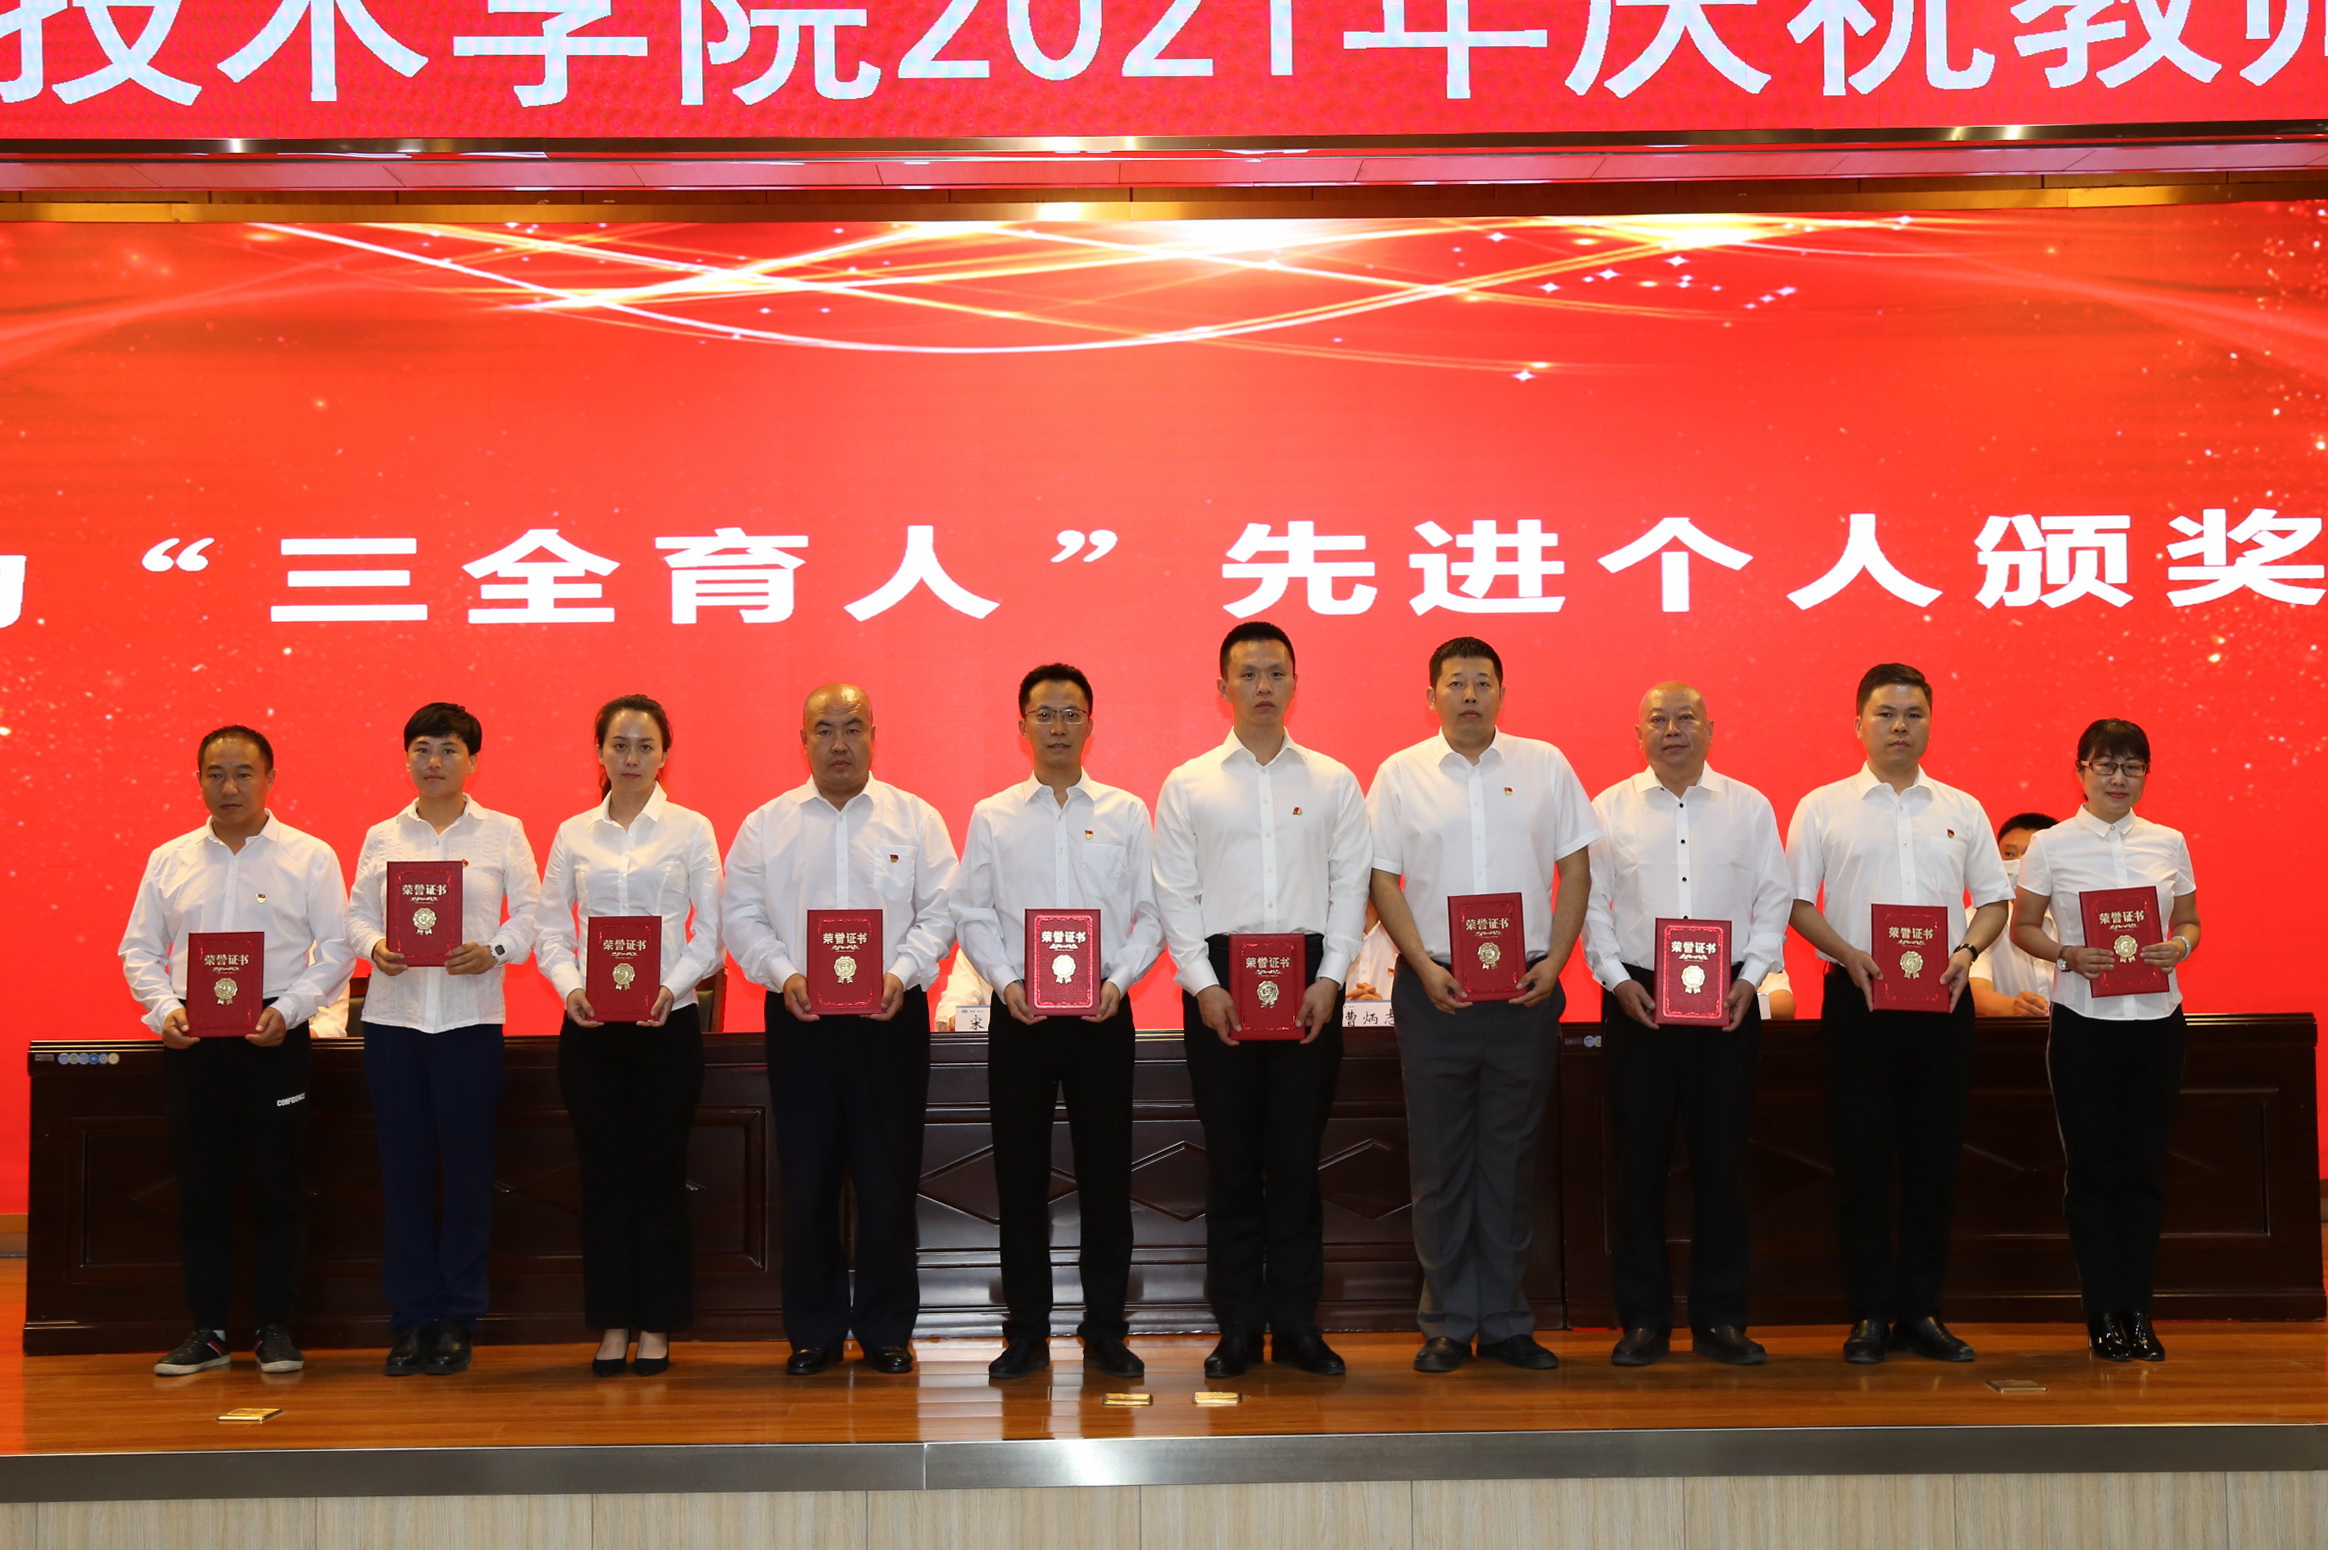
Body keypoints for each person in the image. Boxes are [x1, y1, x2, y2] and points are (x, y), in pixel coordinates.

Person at [1367, 636, 1595, 1374]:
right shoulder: (1400, 774)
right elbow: (1381, 879)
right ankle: (1444, 1321)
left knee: (1509, 1160)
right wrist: (1420, 965)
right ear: (1430, 695)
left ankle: (1503, 1322)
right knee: (1439, 1163)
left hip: (1525, 988)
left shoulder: (1544, 765)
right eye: (1455, 682)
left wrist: (1556, 960)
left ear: (1502, 691)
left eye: (1483, 682)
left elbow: (1575, 868)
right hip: (1435, 989)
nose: (1469, 694)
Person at [1153, 621, 1370, 1379]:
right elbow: (1174, 892)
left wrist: (1331, 977)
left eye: (1276, 672)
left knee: (1297, 1160)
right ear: (1223, 688)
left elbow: (1350, 885)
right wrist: (1202, 983)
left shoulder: (1334, 781)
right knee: (1234, 1163)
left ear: (1295, 683)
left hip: (1309, 978)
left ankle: (1299, 1324)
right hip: (1221, 983)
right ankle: (1239, 1325)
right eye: (1247, 674)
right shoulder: (1188, 783)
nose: (1263, 686)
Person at [722, 684, 958, 1377]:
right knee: (808, 1180)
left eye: (852, 728)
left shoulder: (915, 819)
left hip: (890, 1017)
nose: (838, 743)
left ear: (874, 735)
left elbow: (943, 910)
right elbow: (740, 915)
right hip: (801, 1018)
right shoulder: (767, 825)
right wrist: (783, 972)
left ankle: (887, 1329)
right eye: (823, 730)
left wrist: (903, 972)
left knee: (888, 1181)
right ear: (803, 741)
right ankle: (814, 1330)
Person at [1786, 663, 2011, 1365]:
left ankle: (1922, 1311)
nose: (1899, 727)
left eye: (1913, 714)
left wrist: (1967, 950)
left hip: (1943, 999)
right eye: (1885, 714)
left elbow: (1995, 901)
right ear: (1858, 723)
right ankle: (1868, 1314)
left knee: (1933, 1163)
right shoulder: (1822, 806)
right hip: (1859, 997)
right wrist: (1847, 953)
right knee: (1860, 1162)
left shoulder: (1961, 808)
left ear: (1930, 724)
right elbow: (1796, 902)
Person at [120, 725, 355, 1377]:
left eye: (243, 773)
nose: (229, 786)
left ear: (270, 779)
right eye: (215, 773)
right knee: (201, 1188)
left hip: (274, 1035)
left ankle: (275, 1327)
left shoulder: (310, 857)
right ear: (197, 780)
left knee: (278, 1186)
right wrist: (164, 1009)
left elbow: (337, 949)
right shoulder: (169, 859)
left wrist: (291, 1010)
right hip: (195, 1039)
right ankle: (209, 1330)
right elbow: (139, 949)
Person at [954, 664, 1165, 1381]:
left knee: (1107, 1176)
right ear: (1022, 727)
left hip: (1102, 1014)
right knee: (1020, 1179)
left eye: (1071, 713)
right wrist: (1006, 981)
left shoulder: (1127, 812)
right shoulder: (993, 815)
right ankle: (1027, 1332)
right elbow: (971, 912)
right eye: (1043, 714)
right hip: (1022, 1015)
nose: (1057, 727)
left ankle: (1105, 1329)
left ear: (1090, 725)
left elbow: (1151, 913)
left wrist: (1118, 980)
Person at [1583, 682, 1793, 1368]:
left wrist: (1751, 977)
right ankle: (1643, 1321)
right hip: (1639, 999)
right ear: (1638, 733)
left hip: (1726, 999)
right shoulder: (1608, 809)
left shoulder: (1748, 807)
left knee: (1723, 1165)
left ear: (1710, 727)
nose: (1672, 729)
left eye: (1685, 718)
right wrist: (1615, 980)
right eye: (1658, 719)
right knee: (1637, 1168)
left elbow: (1774, 897)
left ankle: (1721, 1319)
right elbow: (1591, 905)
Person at [346, 703, 540, 1378]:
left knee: (466, 1177)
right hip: (394, 1024)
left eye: (450, 749)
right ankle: (410, 1321)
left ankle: (458, 1318)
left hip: (468, 1024)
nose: (435, 761)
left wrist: (495, 949)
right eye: (423, 748)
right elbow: (355, 916)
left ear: (472, 761)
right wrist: (376, 945)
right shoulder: (382, 836)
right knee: (402, 1177)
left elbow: (534, 915)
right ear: (406, 758)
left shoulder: (503, 832)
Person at [535, 695, 722, 1378]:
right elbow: (549, 930)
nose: (632, 757)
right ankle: (613, 1323)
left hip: (667, 1025)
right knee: (604, 1177)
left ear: (665, 754)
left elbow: (712, 933)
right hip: (591, 1028)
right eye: (620, 745)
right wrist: (569, 986)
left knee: (659, 1176)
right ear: (600, 752)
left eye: (645, 746)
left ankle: (658, 1325)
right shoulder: (573, 834)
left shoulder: (691, 829)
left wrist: (671, 986)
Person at [2009, 721, 2199, 1363]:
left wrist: (2180, 946)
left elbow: (2190, 920)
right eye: (2105, 766)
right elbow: (2023, 928)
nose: (2119, 779)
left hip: (2158, 1021)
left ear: (2145, 774)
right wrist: (2067, 953)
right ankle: (2101, 1313)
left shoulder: (2168, 841)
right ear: (2081, 771)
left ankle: (2138, 1311)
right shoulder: (2051, 845)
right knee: (2092, 1172)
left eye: (2132, 767)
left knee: (2144, 1171)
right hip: (2084, 1024)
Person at [1970, 814, 2060, 1017]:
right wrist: (2015, 1007)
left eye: (2030, 855)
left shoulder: (2077, 916)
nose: (2018, 863)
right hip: (2010, 1032)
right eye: (2009, 854)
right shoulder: (1977, 919)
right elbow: (1975, 992)